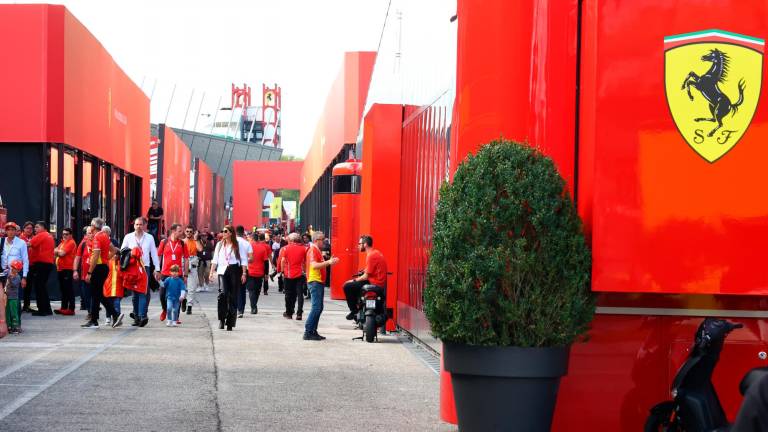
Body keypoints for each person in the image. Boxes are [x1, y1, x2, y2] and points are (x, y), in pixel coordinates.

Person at [81, 217, 123, 329]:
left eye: (90, 225)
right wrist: (106, 259)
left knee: (96, 295)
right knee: (98, 294)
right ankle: (108, 316)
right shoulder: (104, 235)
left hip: (98, 268)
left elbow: (95, 256)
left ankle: (104, 318)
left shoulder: (97, 237)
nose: (89, 227)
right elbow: (114, 250)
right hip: (104, 267)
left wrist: (89, 272)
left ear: (93, 227)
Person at [121, 217, 161, 327]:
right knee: (135, 294)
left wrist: (157, 269)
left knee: (143, 291)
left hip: (145, 268)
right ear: (134, 226)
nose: (138, 227)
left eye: (140, 224)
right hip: (132, 268)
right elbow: (122, 252)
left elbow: (154, 254)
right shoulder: (128, 237)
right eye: (137, 224)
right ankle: (137, 316)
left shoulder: (149, 238)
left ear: (144, 225)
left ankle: (142, 315)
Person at [209, 225, 246, 331]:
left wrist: (244, 273)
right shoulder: (219, 245)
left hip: (234, 270)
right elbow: (215, 259)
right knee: (223, 294)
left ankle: (230, 322)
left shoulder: (237, 245)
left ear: (230, 233)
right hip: (222, 271)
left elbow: (243, 260)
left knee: (233, 296)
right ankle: (221, 319)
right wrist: (211, 273)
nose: (223, 233)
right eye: (223, 231)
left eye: (225, 231)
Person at [303, 231, 339, 341]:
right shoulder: (313, 250)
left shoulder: (315, 250)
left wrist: (328, 261)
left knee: (318, 307)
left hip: (317, 281)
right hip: (315, 281)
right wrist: (329, 262)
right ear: (316, 240)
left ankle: (312, 330)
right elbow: (314, 265)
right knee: (317, 307)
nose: (324, 241)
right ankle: (309, 331)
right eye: (322, 239)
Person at [343, 235, 387, 320]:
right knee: (355, 286)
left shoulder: (371, 256)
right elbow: (371, 270)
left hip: (373, 283)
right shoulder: (375, 253)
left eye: (360, 243)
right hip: (379, 283)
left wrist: (353, 280)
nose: (358, 245)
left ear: (365, 244)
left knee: (347, 286)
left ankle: (354, 311)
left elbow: (365, 276)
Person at [157, 224, 188, 323]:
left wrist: (185, 274)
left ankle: (176, 316)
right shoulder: (164, 242)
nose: (181, 233)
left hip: (178, 273)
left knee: (177, 295)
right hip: (165, 272)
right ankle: (165, 310)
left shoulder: (183, 244)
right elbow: (158, 256)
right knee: (162, 294)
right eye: (179, 231)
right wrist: (157, 270)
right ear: (173, 231)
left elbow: (186, 259)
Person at [27, 221, 55, 316]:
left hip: (42, 264)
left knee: (39, 287)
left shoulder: (41, 235)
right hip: (47, 264)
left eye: (37, 227)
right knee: (42, 287)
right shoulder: (48, 235)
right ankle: (47, 309)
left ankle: (42, 310)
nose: (35, 229)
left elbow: (29, 244)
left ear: (43, 227)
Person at [280, 233, 307, 320]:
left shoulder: (285, 248)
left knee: (288, 294)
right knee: (299, 294)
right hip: (300, 274)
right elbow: (305, 262)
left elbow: (283, 261)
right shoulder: (304, 249)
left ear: (291, 240)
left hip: (289, 274)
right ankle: (299, 313)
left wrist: (282, 271)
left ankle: (289, 313)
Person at [53, 227, 77, 315]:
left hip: (68, 268)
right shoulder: (63, 242)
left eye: (66, 234)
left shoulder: (71, 242)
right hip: (61, 268)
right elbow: (55, 251)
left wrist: (57, 251)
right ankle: (64, 307)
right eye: (63, 234)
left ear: (71, 235)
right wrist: (57, 251)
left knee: (68, 289)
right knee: (63, 289)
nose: (64, 236)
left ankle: (71, 309)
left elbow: (61, 253)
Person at [244, 232, 269, 314]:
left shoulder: (248, 247)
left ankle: (253, 307)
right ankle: (254, 306)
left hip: (250, 271)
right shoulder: (262, 248)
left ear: (251, 238)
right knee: (257, 290)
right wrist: (266, 273)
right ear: (258, 239)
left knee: (251, 290)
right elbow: (266, 262)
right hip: (260, 272)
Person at [73, 226, 94, 315]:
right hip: (85, 274)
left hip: (96, 273)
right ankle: (90, 312)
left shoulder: (98, 242)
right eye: (89, 233)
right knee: (86, 295)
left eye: (92, 232)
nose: (91, 235)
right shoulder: (83, 244)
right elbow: (77, 258)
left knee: (96, 295)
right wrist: (75, 270)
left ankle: (93, 313)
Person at [183, 226, 202, 314]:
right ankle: (183, 299)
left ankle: (189, 305)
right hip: (183, 264)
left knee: (191, 287)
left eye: (191, 232)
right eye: (187, 231)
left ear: (193, 233)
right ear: (185, 232)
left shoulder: (195, 241)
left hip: (193, 265)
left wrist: (196, 239)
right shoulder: (182, 242)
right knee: (181, 286)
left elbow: (200, 249)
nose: (189, 233)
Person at [235, 226, 253, 318]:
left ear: (235, 232)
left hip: (235, 268)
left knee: (236, 289)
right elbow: (251, 259)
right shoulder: (247, 243)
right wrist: (245, 259)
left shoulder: (232, 243)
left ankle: (238, 308)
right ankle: (241, 309)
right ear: (243, 233)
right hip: (245, 268)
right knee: (242, 289)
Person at [5, 260, 23, 334]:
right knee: (7, 312)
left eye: (14, 268)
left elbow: (14, 284)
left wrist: (9, 278)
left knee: (14, 312)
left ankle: (15, 326)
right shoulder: (9, 275)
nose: (12, 269)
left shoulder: (18, 277)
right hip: (7, 297)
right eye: (12, 267)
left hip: (13, 298)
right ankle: (8, 326)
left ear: (18, 270)